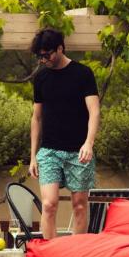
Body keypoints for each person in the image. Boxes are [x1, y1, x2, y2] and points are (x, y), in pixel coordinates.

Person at [28, 27, 100, 239]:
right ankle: (49, 255)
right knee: (49, 204)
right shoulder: (41, 78)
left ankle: (76, 256)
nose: (43, 60)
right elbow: (36, 118)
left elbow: (94, 111)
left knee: (79, 205)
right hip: (49, 151)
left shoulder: (83, 74)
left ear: (60, 48)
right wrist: (33, 156)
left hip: (78, 151)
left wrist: (89, 143)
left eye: (47, 55)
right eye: (39, 56)